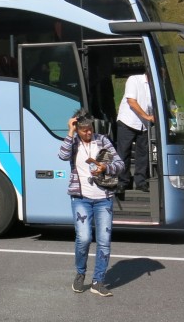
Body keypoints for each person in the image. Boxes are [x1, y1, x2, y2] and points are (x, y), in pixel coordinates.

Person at [58, 108, 125, 297]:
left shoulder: (102, 140)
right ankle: (80, 274)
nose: (88, 133)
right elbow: (62, 156)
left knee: (104, 242)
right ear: (77, 128)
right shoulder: (73, 142)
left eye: (90, 129)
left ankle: (98, 281)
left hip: (104, 198)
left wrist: (105, 167)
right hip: (81, 199)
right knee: (84, 238)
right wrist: (70, 132)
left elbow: (120, 164)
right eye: (84, 129)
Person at [115, 72, 154, 193]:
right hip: (128, 121)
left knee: (143, 153)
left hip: (143, 124)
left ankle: (141, 182)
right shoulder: (134, 80)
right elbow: (132, 101)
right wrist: (147, 117)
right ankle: (123, 182)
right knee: (123, 152)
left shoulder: (154, 86)